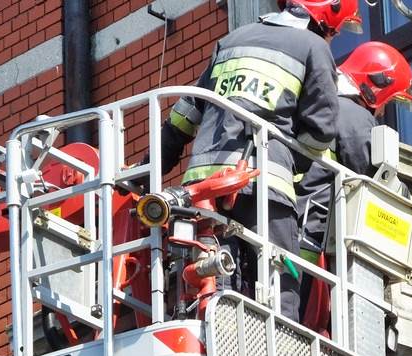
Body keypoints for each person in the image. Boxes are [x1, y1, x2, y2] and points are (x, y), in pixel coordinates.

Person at [151, 0, 362, 322]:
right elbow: (321, 129)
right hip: (265, 181)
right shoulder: (312, 46)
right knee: (280, 272)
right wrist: (298, 167)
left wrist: (147, 168)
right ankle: (283, 347)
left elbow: (185, 116)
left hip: (201, 185)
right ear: (329, 17)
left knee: (213, 265)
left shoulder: (232, 40)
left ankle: (213, 327)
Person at [295, 41, 412, 323]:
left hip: (291, 218)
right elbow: (374, 179)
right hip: (312, 230)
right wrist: (406, 199)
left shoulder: (318, 102)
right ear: (375, 85)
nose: (383, 112)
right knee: (303, 316)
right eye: (387, 101)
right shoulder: (354, 116)